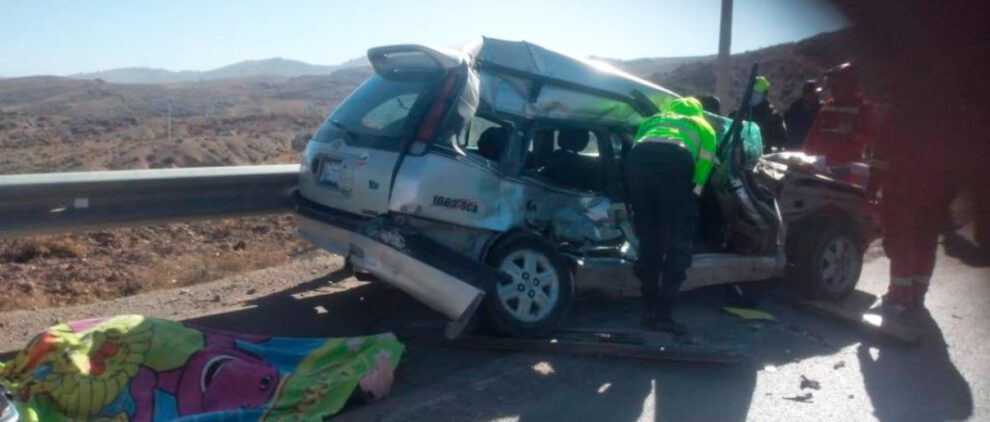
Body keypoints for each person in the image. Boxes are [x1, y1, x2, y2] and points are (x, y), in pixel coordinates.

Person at [624, 97, 717, 334]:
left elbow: (636, 147)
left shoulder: (653, 119)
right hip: (677, 162)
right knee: (677, 246)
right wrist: (693, 196)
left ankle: (647, 310)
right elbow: (704, 164)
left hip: (639, 162)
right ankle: (664, 315)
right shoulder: (702, 125)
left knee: (649, 241)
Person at [865, 102, 950, 312]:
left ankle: (900, 295)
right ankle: (918, 292)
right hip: (935, 191)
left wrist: (871, 188)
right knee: (926, 241)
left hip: (902, 190)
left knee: (901, 242)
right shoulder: (945, 113)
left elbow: (882, 156)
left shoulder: (897, 114)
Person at [803, 63, 876, 166]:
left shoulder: (863, 109)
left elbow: (873, 139)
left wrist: (852, 135)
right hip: (825, 166)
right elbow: (810, 141)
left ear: (849, 85)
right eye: (832, 84)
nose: (832, 89)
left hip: (852, 169)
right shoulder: (827, 108)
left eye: (836, 84)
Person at [730, 76, 787, 152]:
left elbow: (781, 144)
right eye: (750, 92)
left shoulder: (774, 118)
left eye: (756, 93)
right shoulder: (737, 114)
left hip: (764, 160)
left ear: (765, 94)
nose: (752, 95)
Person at [783, 80, 823, 150]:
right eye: (813, 93)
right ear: (806, 94)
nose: (816, 96)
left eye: (817, 93)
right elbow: (787, 127)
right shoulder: (795, 108)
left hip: (814, 147)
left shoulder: (822, 108)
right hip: (796, 146)